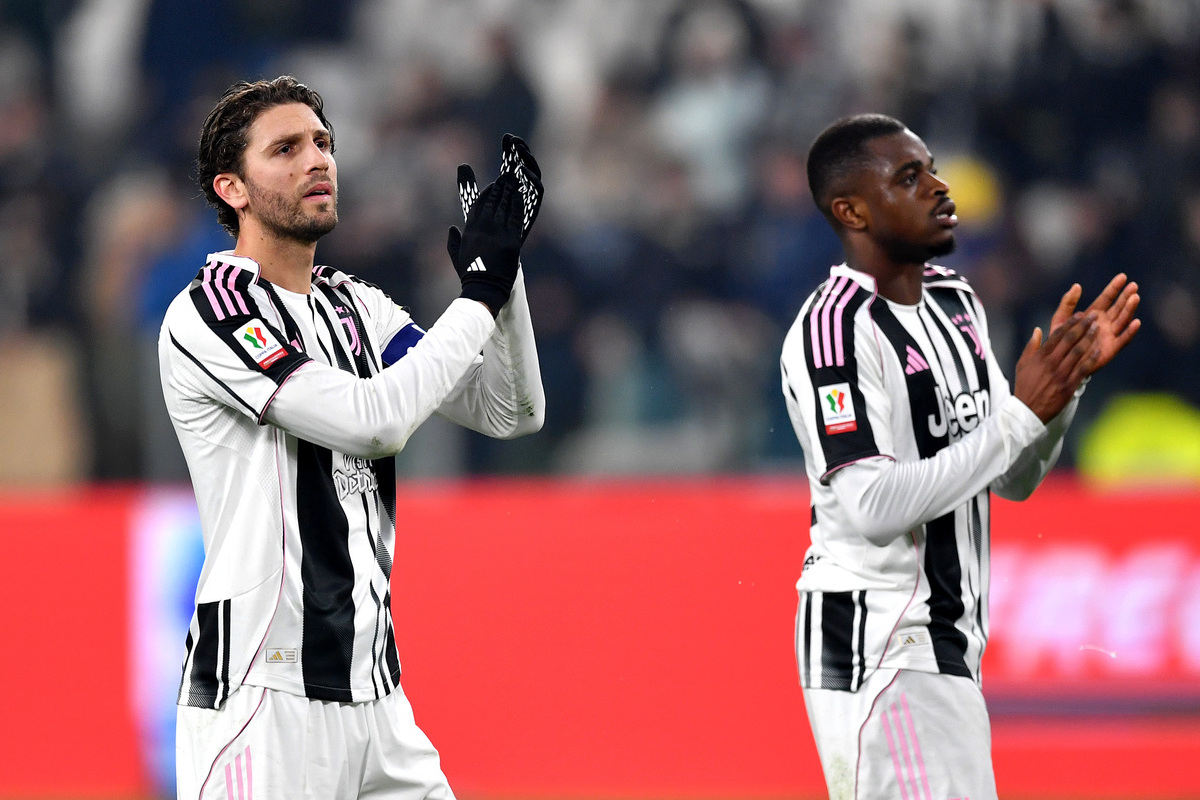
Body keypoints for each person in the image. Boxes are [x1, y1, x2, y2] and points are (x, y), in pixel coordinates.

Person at [158, 75, 545, 800]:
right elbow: (375, 422)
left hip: (377, 697)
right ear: (232, 189)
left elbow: (509, 411)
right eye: (287, 148)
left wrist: (505, 274)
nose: (318, 160)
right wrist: (478, 297)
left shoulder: (353, 305)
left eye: (324, 143)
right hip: (261, 694)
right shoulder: (210, 310)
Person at [780, 114, 1139, 800]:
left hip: (944, 645)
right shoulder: (834, 330)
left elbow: (1011, 476)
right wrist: (1019, 414)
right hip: (881, 644)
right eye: (909, 178)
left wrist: (1061, 391)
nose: (940, 189)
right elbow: (872, 506)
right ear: (850, 211)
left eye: (932, 169)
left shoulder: (955, 302)